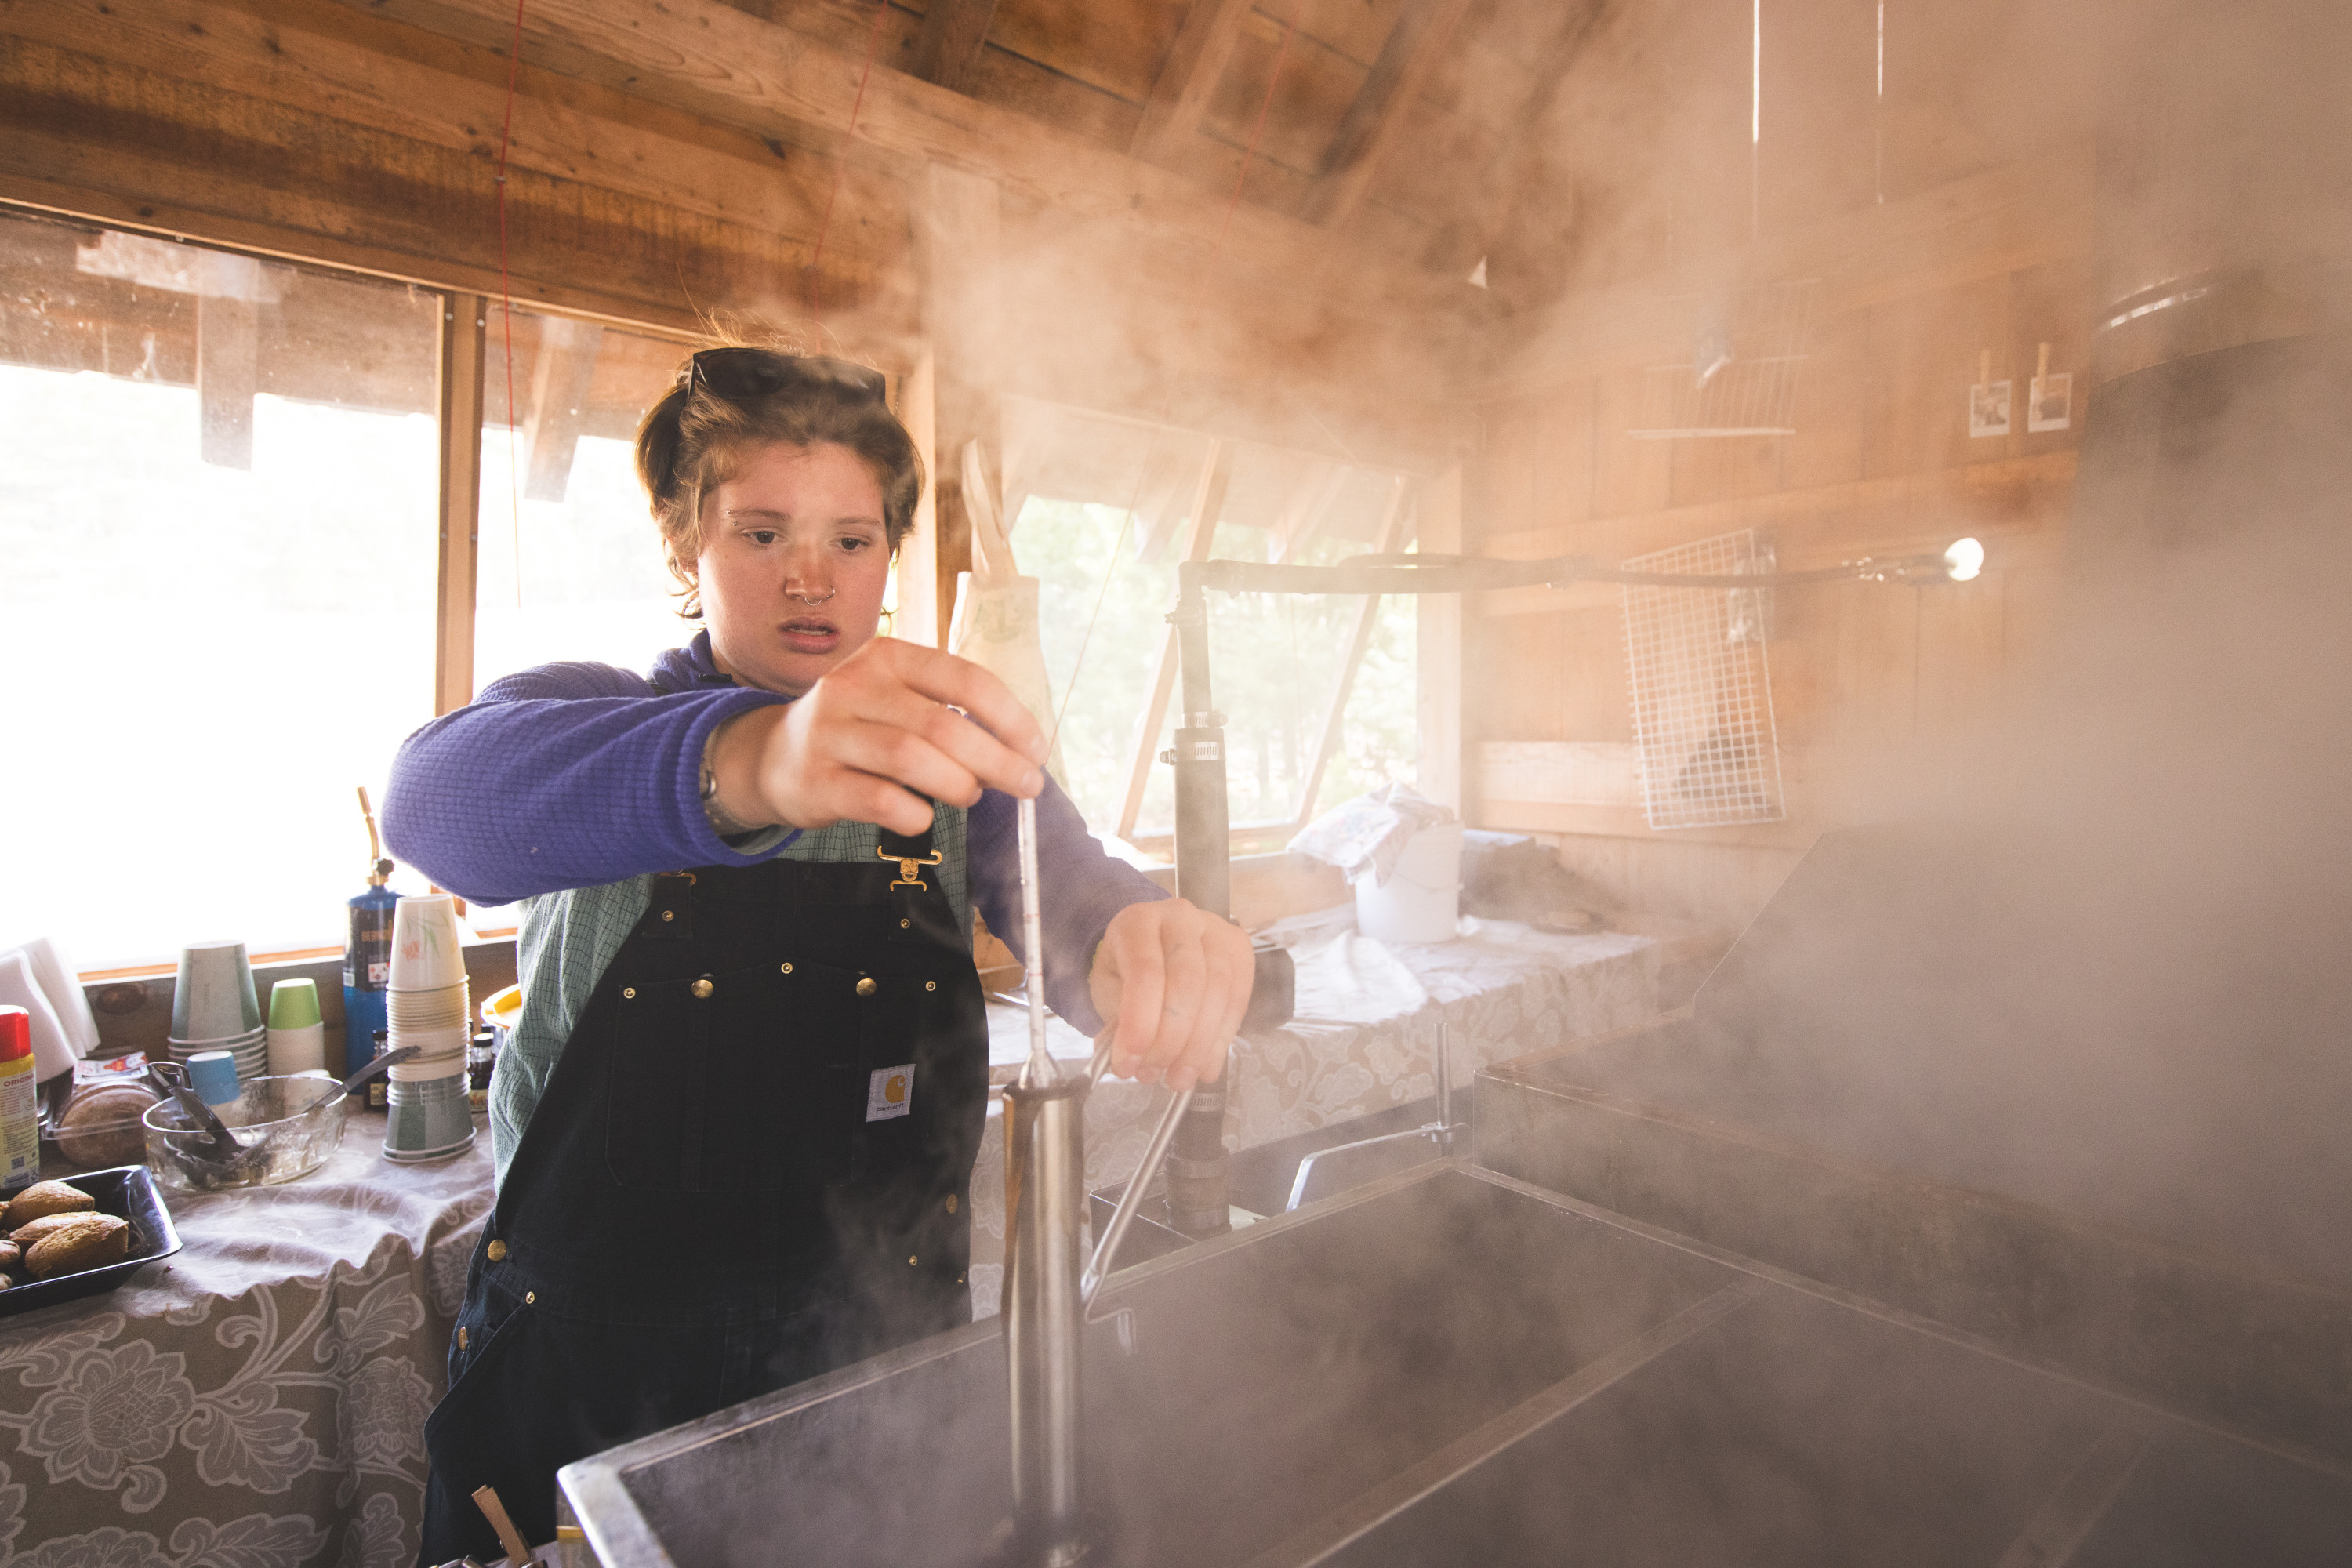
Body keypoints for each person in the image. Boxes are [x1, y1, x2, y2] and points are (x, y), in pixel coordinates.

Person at [384, 343, 1255, 1564]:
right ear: (687, 547)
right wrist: (749, 765)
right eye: (759, 533)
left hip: (878, 1374)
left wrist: (1132, 938)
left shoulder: (941, 764)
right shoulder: (599, 723)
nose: (811, 576)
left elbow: (1070, 894)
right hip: (591, 1390)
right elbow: (431, 803)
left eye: (853, 539)